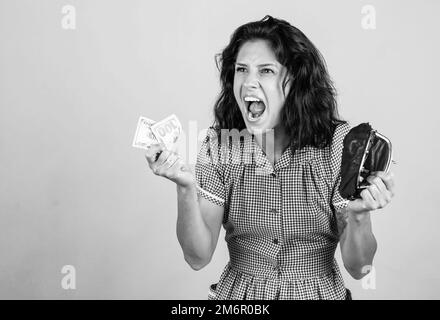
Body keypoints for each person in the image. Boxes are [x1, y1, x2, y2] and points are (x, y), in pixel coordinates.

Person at [145, 16, 395, 300]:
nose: (249, 82)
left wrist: (360, 214)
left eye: (265, 71)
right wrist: (185, 187)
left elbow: (359, 268)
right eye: (242, 70)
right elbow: (197, 257)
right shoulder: (219, 147)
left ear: (296, 82)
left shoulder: (338, 145)